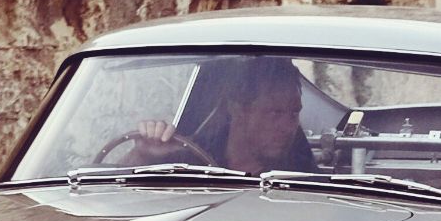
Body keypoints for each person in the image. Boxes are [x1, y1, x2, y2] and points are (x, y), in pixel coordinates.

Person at [129, 57, 316, 172]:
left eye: (294, 113)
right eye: (275, 113)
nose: (288, 127)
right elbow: (121, 193)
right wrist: (142, 154)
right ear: (237, 109)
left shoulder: (300, 174)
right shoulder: (188, 158)